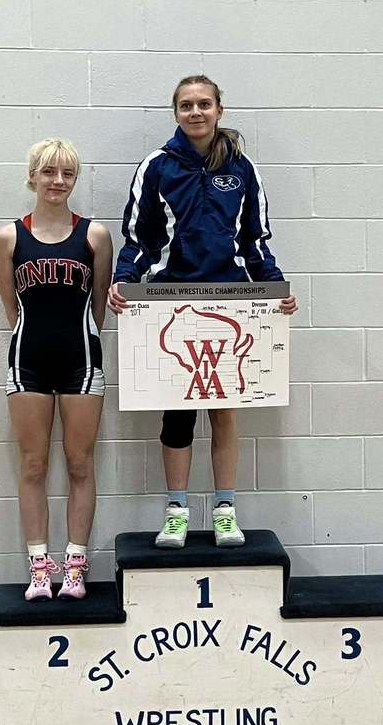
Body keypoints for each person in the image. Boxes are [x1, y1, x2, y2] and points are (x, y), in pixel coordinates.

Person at [107, 75, 297, 550]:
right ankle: (176, 512)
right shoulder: (156, 167)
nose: (196, 112)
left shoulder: (243, 168)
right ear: (176, 112)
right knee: (178, 413)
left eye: (204, 104)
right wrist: (121, 282)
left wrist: (274, 290)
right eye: (187, 105)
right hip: (170, 299)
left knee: (224, 410)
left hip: (230, 298)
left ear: (219, 109)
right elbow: (139, 237)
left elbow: (255, 241)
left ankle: (225, 510)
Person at [0, 138, 113, 600]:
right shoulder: (7, 237)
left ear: (75, 180)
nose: (58, 182)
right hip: (28, 362)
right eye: (48, 172)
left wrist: (77, 338)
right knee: (33, 464)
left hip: (82, 360)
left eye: (66, 174)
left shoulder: (96, 236)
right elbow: (12, 307)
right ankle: (40, 567)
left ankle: (75, 566)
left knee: (81, 463)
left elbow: (98, 305)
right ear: (33, 177)